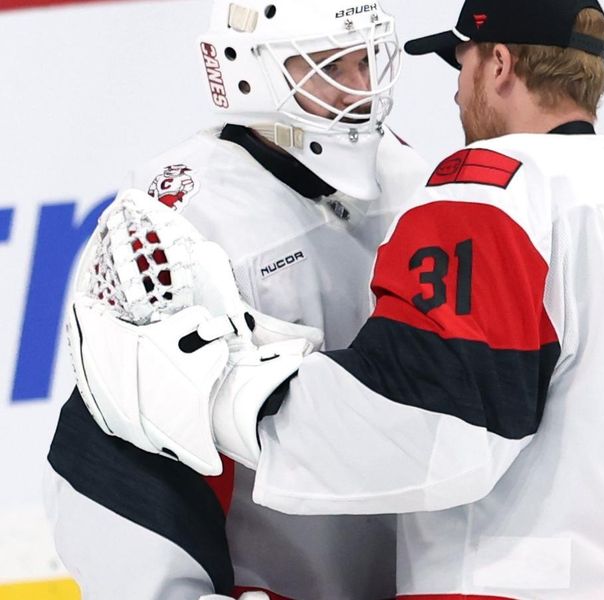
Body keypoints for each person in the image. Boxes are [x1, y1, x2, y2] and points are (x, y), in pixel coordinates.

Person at [70, 0, 604, 598]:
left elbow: (430, 423)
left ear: (499, 65)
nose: (454, 96)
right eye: (335, 67)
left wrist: (226, 394)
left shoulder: (493, 188)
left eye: (461, 67)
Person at [44, 0, 427, 598]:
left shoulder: (412, 176)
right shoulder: (178, 223)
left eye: (364, 61)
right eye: (329, 66)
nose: (360, 89)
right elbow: (118, 445)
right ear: (249, 73)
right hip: (276, 578)